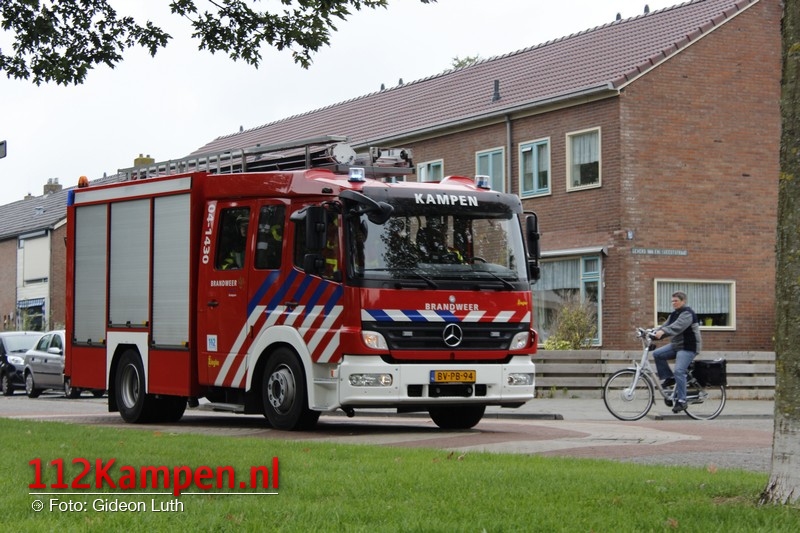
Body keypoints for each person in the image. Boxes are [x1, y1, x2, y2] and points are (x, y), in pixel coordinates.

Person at [652, 291, 702, 413]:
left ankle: (682, 400)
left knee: (679, 371)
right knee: (657, 354)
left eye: (676, 301)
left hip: (688, 347)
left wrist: (663, 332)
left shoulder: (687, 313)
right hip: (677, 345)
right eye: (672, 301)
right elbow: (665, 326)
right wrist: (652, 333)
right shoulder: (674, 314)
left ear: (683, 301)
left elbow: (677, 327)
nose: (673, 303)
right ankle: (669, 378)